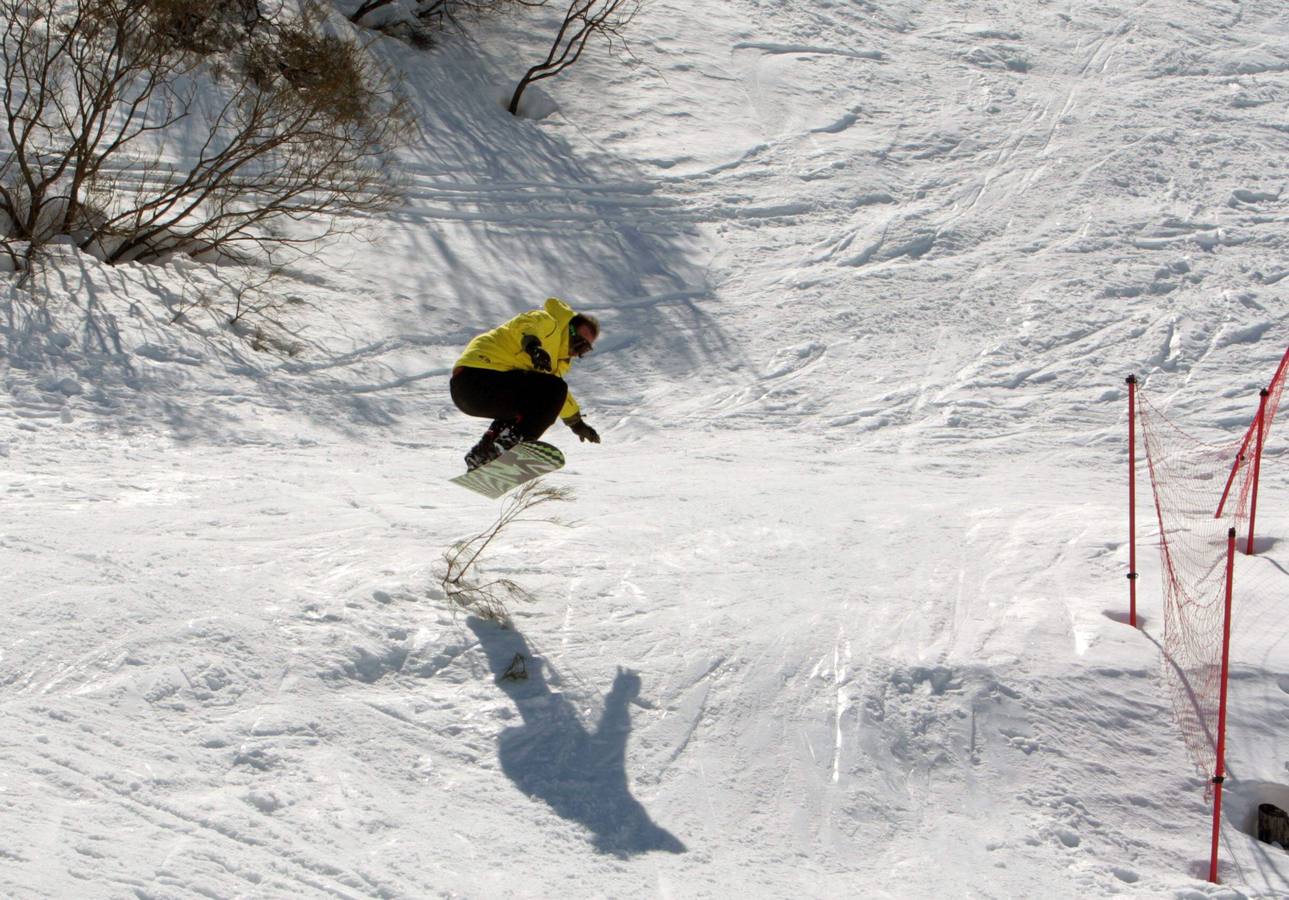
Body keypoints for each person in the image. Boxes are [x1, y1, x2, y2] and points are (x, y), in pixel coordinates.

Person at [450, 297, 602, 470]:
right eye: (578, 342)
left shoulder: (553, 364)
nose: (577, 351)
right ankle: (512, 445)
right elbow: (525, 325)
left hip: (468, 394)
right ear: (568, 327)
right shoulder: (550, 323)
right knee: (554, 389)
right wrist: (532, 346)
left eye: (584, 349)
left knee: (534, 401)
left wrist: (576, 423)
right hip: (479, 375)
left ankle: (484, 452)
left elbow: (558, 398)